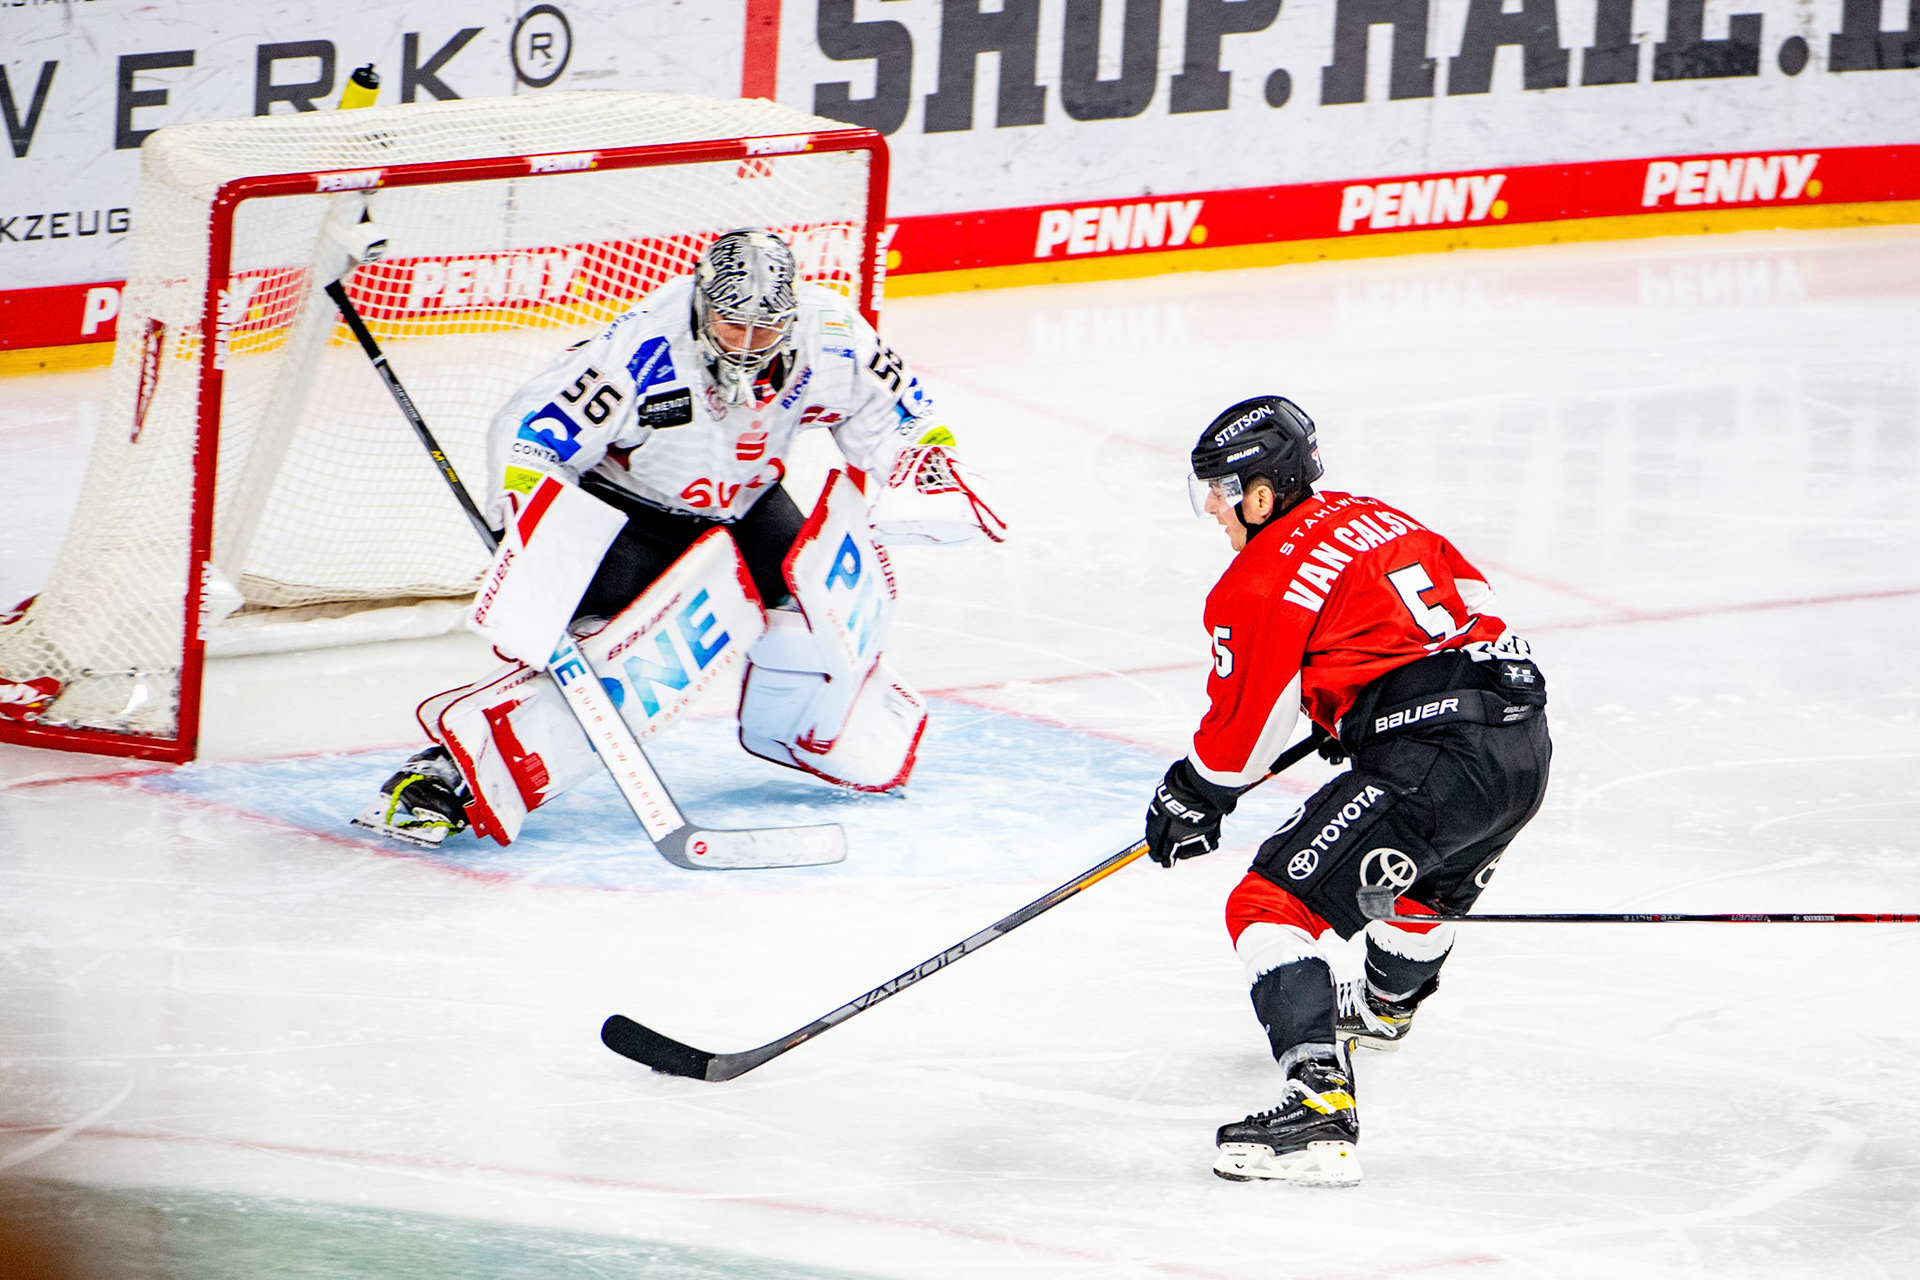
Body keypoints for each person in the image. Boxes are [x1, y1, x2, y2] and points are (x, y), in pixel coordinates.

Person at [356, 228, 1005, 847]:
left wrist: (930, 465)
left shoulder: (831, 336)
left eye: (765, 328)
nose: (748, 344)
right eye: (732, 324)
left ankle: (812, 735)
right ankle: (443, 777)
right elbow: (532, 435)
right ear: (701, 305)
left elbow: (897, 416)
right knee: (616, 665)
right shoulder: (642, 348)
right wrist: (533, 532)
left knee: (816, 616)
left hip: (748, 504)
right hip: (630, 514)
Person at [1142, 395, 1550, 1186]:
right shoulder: (1376, 516)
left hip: (1433, 757)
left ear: (1263, 494)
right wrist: (1359, 706)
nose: (1215, 512)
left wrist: (1192, 793)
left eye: (1222, 493)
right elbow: (1470, 610)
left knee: (1267, 905)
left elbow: (1243, 735)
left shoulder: (1258, 577)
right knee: (1421, 880)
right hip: (1520, 742)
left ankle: (1319, 1110)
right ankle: (1386, 1006)